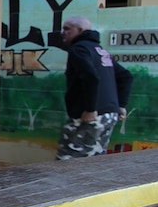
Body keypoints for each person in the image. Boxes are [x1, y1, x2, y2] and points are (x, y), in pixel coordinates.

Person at [56, 15, 133, 160]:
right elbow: (126, 76)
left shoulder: (79, 49)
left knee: (67, 161)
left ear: (79, 30)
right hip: (109, 115)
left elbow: (90, 77)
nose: (63, 32)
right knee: (95, 160)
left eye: (67, 29)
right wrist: (121, 105)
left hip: (90, 116)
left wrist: (91, 109)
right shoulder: (99, 50)